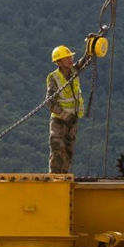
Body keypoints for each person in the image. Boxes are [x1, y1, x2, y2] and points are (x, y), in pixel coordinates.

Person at [45, 45, 91, 174]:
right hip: (59, 121)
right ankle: (54, 178)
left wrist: (90, 47)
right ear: (58, 62)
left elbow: (85, 61)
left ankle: (64, 177)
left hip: (72, 120)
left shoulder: (74, 71)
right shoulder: (54, 78)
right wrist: (63, 114)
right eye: (66, 58)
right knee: (57, 150)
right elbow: (50, 102)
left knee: (68, 152)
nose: (70, 60)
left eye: (70, 57)